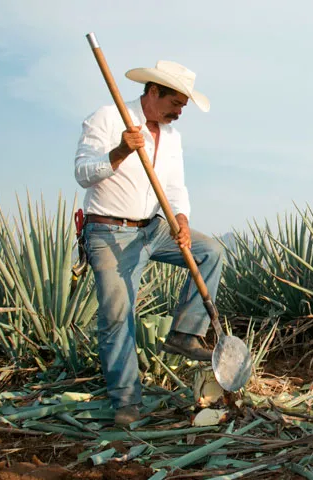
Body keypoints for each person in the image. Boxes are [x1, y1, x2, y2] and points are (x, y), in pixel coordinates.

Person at [74, 60, 224, 426]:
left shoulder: (172, 137)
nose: (179, 112)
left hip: (152, 228)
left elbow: (174, 187)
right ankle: (127, 402)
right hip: (109, 231)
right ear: (154, 92)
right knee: (116, 316)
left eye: (184, 106)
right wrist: (120, 151)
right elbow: (82, 172)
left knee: (210, 250)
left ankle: (185, 334)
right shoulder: (109, 118)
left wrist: (182, 220)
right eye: (176, 103)